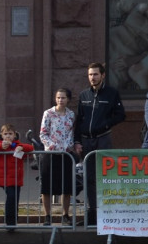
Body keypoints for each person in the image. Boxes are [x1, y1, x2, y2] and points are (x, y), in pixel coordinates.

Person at [74, 62, 125, 225]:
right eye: (90, 74)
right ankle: (93, 212)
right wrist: (77, 141)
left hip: (103, 138)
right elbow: (79, 119)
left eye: (95, 74)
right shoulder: (83, 95)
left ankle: (106, 212)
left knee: (104, 176)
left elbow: (120, 115)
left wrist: (106, 124)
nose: (92, 77)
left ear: (102, 75)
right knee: (89, 178)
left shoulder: (111, 93)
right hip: (86, 141)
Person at [0, 124, 34, 231]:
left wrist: (22, 147)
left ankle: (14, 220)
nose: (8, 136)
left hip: (16, 178)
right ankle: (9, 222)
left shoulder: (17, 145)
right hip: (4, 178)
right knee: (11, 197)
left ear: (15, 135)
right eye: (5, 134)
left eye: (10, 134)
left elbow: (30, 148)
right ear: (1, 135)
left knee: (15, 199)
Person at [39, 88, 77, 226]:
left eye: (63, 98)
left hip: (66, 154)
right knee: (47, 186)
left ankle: (65, 214)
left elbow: (72, 133)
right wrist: (51, 145)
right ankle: (47, 215)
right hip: (51, 154)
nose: (60, 100)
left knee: (66, 187)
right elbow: (43, 133)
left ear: (68, 100)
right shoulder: (48, 113)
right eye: (58, 97)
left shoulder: (71, 115)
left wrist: (69, 145)